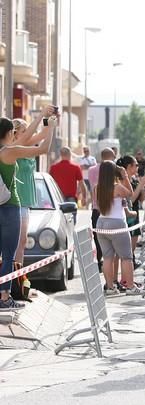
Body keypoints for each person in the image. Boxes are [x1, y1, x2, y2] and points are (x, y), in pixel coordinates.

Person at [0, 111, 57, 310]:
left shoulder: (6, 150)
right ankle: (5, 297)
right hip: (10, 208)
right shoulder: (9, 152)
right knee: (8, 255)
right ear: (9, 133)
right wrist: (49, 127)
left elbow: (26, 137)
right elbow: (43, 148)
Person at [95, 161, 145, 296]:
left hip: (101, 222)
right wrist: (124, 177)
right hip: (117, 223)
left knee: (107, 257)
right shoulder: (117, 187)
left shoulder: (97, 187)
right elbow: (130, 193)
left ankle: (110, 287)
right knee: (126, 257)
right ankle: (130, 286)